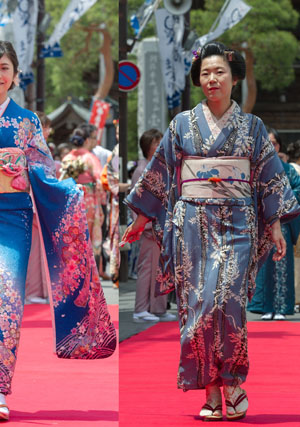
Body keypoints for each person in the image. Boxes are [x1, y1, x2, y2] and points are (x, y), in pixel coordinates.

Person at [0, 40, 116, 421]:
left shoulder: (26, 121)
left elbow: (43, 171)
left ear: (14, 75)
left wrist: (68, 191)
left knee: (7, 303)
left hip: (12, 220)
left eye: (5, 68)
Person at [123, 41, 300, 421]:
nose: (212, 79)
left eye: (219, 71)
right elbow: (160, 174)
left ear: (234, 78)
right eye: (205, 73)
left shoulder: (252, 127)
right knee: (198, 307)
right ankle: (212, 392)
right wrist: (140, 218)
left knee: (227, 302)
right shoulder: (181, 125)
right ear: (198, 79)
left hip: (237, 222)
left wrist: (275, 226)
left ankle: (233, 382)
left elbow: (269, 180)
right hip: (192, 224)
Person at [249, 129, 300, 319]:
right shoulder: (256, 170)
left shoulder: (289, 170)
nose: (272, 146)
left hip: (284, 222)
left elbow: (298, 189)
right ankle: (265, 307)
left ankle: (281, 307)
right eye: (268, 142)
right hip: (263, 222)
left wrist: (282, 204)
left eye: (275, 143)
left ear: (279, 146)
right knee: (264, 264)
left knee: (282, 263)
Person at [130, 128, 174, 322]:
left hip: (162, 224)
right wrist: (144, 224)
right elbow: (137, 200)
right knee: (147, 268)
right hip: (149, 226)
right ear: (148, 147)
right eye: (157, 143)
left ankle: (158, 308)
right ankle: (141, 309)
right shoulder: (142, 169)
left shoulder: (159, 167)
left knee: (161, 269)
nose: (160, 146)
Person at [61, 123, 104, 253]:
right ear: (86, 140)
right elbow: (100, 181)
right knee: (88, 236)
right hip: (88, 200)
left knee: (73, 235)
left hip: (70, 201)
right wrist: (101, 201)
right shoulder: (90, 158)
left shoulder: (67, 158)